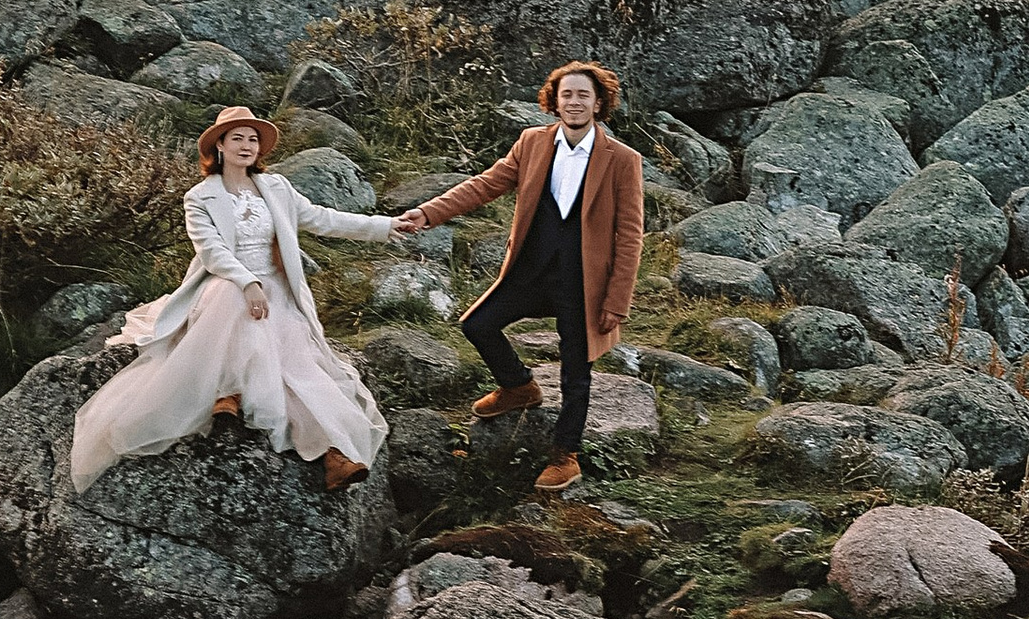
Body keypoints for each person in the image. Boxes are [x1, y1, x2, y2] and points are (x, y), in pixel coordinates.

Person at [69, 105, 402, 493]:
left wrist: (388, 226)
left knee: (299, 366)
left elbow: (324, 219)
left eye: (253, 139)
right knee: (232, 298)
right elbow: (212, 253)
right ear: (220, 146)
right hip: (224, 282)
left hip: (277, 288)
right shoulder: (200, 197)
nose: (247, 146)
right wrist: (247, 282)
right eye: (238, 138)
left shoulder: (277, 188)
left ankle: (333, 455)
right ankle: (227, 392)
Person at [397, 59, 644, 495]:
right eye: (566, 94)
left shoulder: (622, 160)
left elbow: (630, 235)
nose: (574, 101)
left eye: (583, 94)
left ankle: (565, 456)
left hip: (583, 281)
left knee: (576, 369)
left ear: (599, 102)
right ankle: (518, 386)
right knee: (477, 324)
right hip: (529, 269)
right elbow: (484, 185)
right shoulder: (532, 142)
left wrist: (616, 302)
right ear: (554, 100)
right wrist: (428, 212)